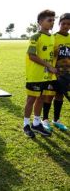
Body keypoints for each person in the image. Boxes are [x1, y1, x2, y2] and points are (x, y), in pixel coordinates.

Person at [23, 10, 57, 138]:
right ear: (40, 22)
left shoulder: (52, 37)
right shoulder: (35, 37)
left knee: (41, 98)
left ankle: (36, 123)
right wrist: (48, 65)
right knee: (31, 99)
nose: (52, 22)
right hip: (35, 75)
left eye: (53, 20)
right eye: (49, 20)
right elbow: (32, 55)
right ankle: (26, 124)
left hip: (46, 76)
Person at [42, 13, 70, 132]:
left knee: (60, 95)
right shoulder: (53, 37)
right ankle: (45, 119)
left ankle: (56, 120)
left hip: (66, 74)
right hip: (54, 73)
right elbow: (47, 55)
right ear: (59, 24)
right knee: (49, 95)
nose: (65, 26)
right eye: (63, 23)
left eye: (68, 24)